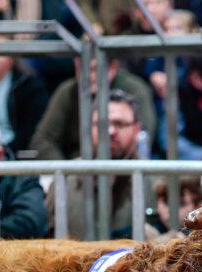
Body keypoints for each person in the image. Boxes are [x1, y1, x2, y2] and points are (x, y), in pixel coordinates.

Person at [46, 90, 156, 240]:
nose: (110, 131)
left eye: (119, 124)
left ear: (136, 129)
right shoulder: (64, 179)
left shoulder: (154, 181)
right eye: (102, 124)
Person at [30, 55, 157, 161]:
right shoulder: (68, 91)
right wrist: (65, 171)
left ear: (113, 68)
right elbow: (43, 139)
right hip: (77, 167)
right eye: (83, 69)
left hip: (124, 164)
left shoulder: (134, 90)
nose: (89, 76)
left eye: (95, 69)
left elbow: (143, 137)